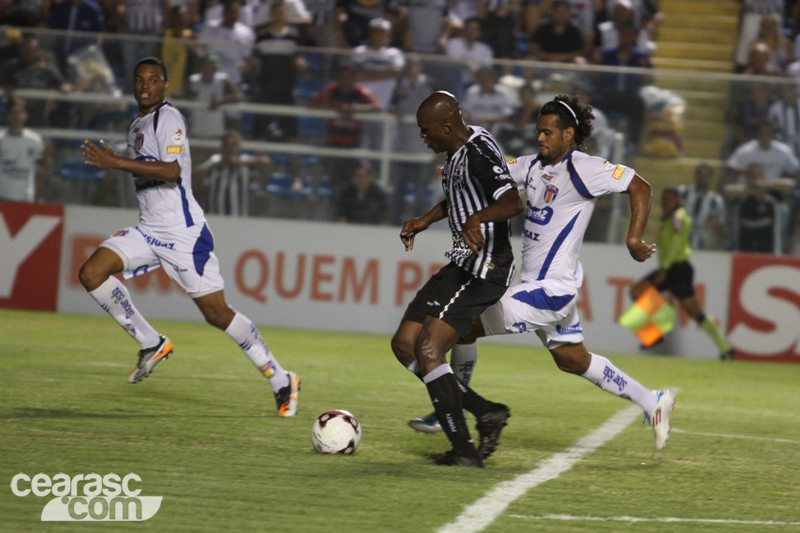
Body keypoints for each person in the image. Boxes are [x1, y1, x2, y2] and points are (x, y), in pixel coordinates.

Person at [408, 94, 676, 453]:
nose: (540, 138)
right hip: (541, 288)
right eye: (538, 131)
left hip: (551, 291)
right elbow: (487, 180)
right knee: (573, 360)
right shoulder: (532, 166)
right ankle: (652, 399)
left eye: (548, 133)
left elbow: (639, 185)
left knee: (460, 324)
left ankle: (448, 407)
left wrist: (634, 237)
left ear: (569, 135)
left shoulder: (584, 167)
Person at [79, 57, 300, 416]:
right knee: (91, 273)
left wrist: (118, 162)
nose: (145, 85)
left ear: (165, 84)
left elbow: (170, 170)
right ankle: (151, 342)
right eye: (139, 79)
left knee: (216, 313)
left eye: (153, 79)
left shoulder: (169, 118)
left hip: (183, 233)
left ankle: (280, 377)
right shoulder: (137, 123)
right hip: (149, 228)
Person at [391, 91, 525, 467]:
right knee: (405, 344)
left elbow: (512, 201)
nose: (423, 137)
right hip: (462, 263)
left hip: (485, 268)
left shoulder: (479, 153)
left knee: (430, 351)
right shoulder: (457, 153)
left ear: (446, 126)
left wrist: (477, 219)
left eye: (426, 130)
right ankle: (484, 411)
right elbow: (459, 198)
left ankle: (464, 451)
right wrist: (424, 220)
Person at [629, 187, 736, 360]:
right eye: (663, 198)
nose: (665, 201)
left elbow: (677, 243)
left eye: (669, 198)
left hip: (677, 268)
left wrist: (665, 269)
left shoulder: (678, 217)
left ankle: (725, 348)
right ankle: (656, 334)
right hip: (671, 267)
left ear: (678, 200)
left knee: (694, 311)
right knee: (637, 292)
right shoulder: (669, 218)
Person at [194, 129, 271, 216]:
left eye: (233, 145)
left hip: (238, 217)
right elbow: (196, 174)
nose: (230, 149)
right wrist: (219, 164)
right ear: (222, 147)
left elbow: (266, 163)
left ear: (239, 147)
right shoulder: (215, 160)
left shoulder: (245, 161)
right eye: (227, 145)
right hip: (215, 217)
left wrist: (237, 162)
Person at [0, 97, 49, 203]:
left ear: (25, 115)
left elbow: (41, 169)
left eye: (19, 113)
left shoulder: (35, 140)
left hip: (25, 198)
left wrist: (39, 195)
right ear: (8, 114)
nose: (16, 116)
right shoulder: (1, 139)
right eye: (13, 112)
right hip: (2, 196)